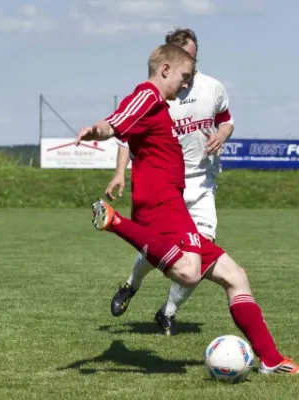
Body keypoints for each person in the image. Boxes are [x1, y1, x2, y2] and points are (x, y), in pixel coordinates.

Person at [75, 43, 299, 375]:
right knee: (189, 272)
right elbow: (114, 124)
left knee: (236, 277)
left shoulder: (158, 106)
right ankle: (115, 222)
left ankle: (271, 359)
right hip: (160, 208)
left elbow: (125, 127)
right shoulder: (147, 95)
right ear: (165, 70)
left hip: (175, 208)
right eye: (184, 77)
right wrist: (94, 131)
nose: (186, 85)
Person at [105, 28, 234, 336]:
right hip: (164, 186)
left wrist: (221, 136)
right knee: (160, 248)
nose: (187, 65)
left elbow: (226, 120)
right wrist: (119, 172)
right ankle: (131, 285)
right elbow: (127, 135)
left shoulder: (212, 87)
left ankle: (168, 312)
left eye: (191, 56)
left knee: (201, 251)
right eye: (181, 57)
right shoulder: (159, 93)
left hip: (201, 184)